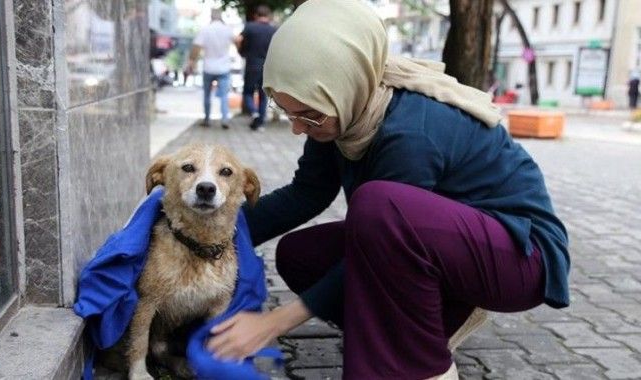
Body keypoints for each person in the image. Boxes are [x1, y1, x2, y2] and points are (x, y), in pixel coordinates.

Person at [206, 1, 570, 379]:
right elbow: (306, 194)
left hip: (517, 255)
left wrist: (275, 322)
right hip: (439, 240)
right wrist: (209, 230)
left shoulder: (410, 132)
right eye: (287, 112)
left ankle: (427, 365)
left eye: (308, 116)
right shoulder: (338, 109)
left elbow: (382, 236)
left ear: (348, 81)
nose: (298, 128)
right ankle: (433, 316)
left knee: (378, 206)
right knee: (300, 255)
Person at [186, 9, 235, 129]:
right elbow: (237, 42)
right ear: (221, 17)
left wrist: (192, 61)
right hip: (224, 67)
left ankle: (207, 119)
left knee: (207, 95)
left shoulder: (205, 29)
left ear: (211, 17)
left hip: (208, 67)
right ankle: (225, 119)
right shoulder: (227, 30)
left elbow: (196, 47)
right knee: (224, 95)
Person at [235, 5, 277, 131]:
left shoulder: (250, 27)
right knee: (263, 95)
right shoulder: (273, 30)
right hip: (267, 66)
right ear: (268, 16)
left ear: (255, 15)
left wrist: (240, 51)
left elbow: (238, 39)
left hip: (252, 65)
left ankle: (254, 112)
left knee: (247, 92)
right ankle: (260, 123)